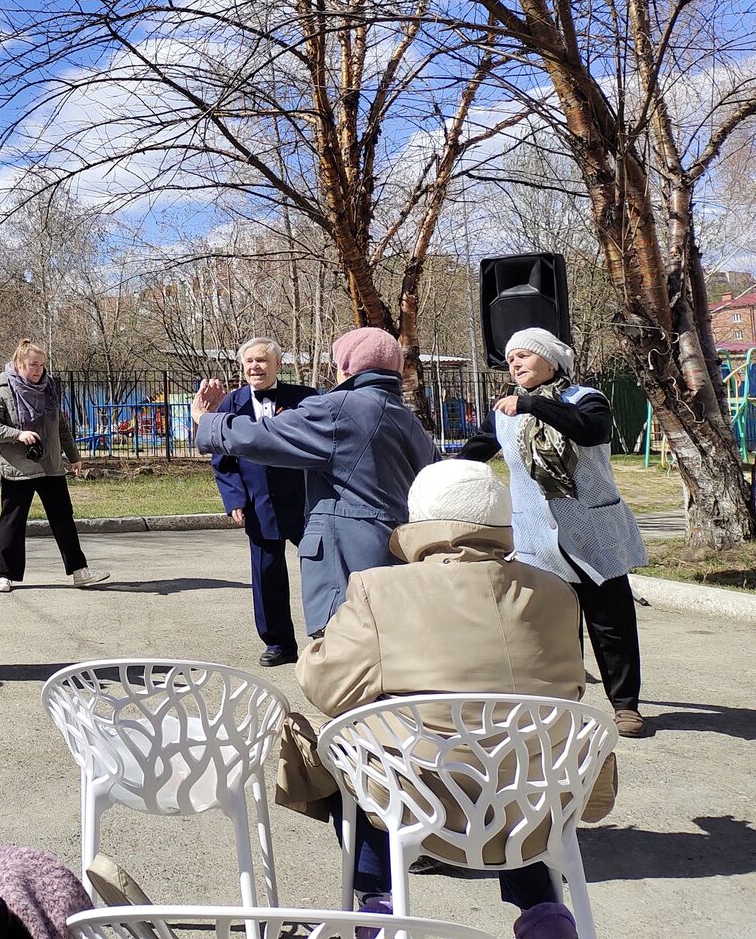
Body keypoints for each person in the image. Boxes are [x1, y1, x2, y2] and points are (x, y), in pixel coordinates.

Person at [278, 460, 604, 939]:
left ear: (420, 520)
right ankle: (544, 912)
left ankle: (376, 903)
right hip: (532, 799)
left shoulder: (377, 589)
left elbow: (325, 688)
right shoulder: (557, 593)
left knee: (350, 745)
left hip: (418, 797)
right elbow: (569, 689)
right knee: (510, 747)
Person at [458, 328, 651, 738]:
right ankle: (560, 707)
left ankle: (625, 706)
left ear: (551, 361)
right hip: (536, 537)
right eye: (510, 359)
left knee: (610, 622)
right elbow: (476, 450)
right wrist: (439, 469)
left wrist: (532, 404)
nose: (515, 364)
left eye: (524, 355)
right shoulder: (506, 412)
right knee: (554, 625)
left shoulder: (586, 399)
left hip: (593, 531)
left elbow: (590, 431)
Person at [194, 326, 438, 635]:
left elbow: (266, 436)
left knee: (346, 652)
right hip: (401, 556)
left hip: (348, 564)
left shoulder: (336, 410)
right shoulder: (407, 418)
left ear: (346, 367)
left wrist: (207, 420)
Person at [208, 337, 318, 666]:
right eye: (250, 362)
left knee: (321, 568)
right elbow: (221, 456)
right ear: (242, 367)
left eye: (262, 361)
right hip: (259, 503)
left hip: (305, 501)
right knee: (267, 573)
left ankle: (329, 637)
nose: (255, 367)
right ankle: (279, 643)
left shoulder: (305, 399)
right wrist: (235, 499)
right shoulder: (231, 402)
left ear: (277, 365)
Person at [0, 339, 110, 592]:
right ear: (19, 364)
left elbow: (60, 425)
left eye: (42, 364)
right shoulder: (0, 390)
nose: (38, 370)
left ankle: (79, 571)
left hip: (50, 465)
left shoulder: (49, 388)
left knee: (63, 518)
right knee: (13, 521)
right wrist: (17, 434)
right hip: (18, 468)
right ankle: (5, 575)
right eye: (32, 365)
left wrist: (74, 456)